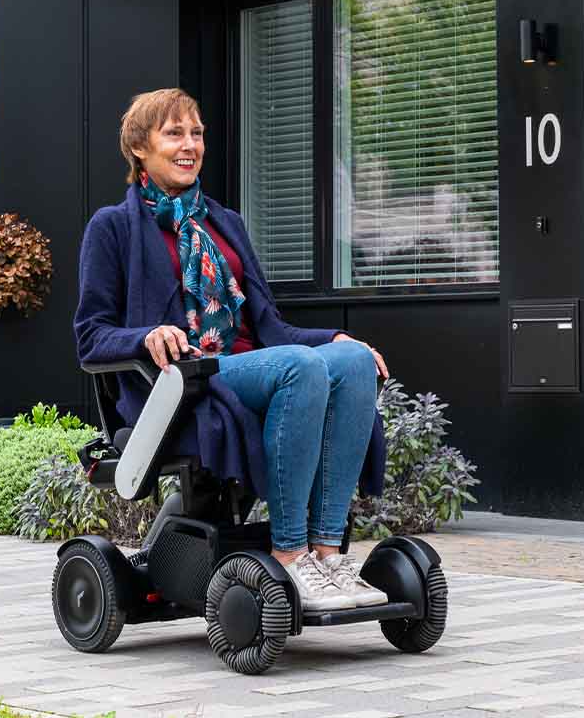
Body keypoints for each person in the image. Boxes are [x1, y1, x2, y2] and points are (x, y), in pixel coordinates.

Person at [74, 87, 391, 613]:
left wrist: (333, 338)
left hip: (255, 364)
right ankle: (289, 556)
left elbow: (270, 328)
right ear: (139, 147)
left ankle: (327, 556)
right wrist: (145, 336)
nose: (190, 144)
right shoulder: (112, 227)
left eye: (196, 133)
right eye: (174, 133)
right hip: (184, 382)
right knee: (298, 367)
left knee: (353, 360)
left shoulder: (225, 222)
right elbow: (91, 335)